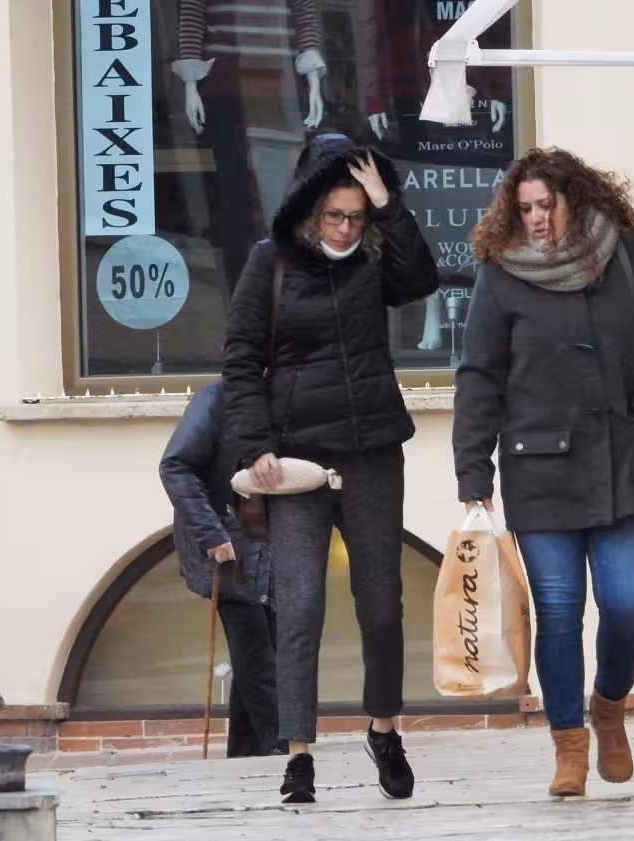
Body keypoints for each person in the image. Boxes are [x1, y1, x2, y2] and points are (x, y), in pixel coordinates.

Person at [453, 147, 634, 797]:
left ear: (574, 200)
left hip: (626, 462)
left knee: (625, 606)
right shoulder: (499, 274)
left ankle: (609, 707)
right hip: (540, 471)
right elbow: (479, 375)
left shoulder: (626, 252)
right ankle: (568, 745)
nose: (534, 219)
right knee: (558, 612)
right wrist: (472, 473)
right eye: (523, 207)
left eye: (544, 205)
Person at [223, 133, 439, 803]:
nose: (347, 227)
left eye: (357, 214)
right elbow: (240, 360)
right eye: (335, 215)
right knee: (299, 608)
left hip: (373, 450)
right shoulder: (271, 263)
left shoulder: (378, 256)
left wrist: (389, 203)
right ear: (310, 210)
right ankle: (298, 755)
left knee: (381, 606)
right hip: (294, 458)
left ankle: (383, 729)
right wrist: (254, 444)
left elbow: (422, 279)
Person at [158, 380, 284, 759]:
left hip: (270, 544)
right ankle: (281, 746)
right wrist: (212, 534)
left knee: (266, 653)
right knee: (258, 656)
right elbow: (175, 466)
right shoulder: (213, 401)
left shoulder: (284, 396)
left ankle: (246, 754)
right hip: (229, 546)